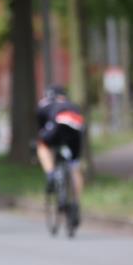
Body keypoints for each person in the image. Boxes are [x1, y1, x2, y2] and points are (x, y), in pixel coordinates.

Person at [35, 85, 85, 221]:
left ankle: (51, 174)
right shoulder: (72, 104)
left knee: (42, 145)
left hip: (57, 123)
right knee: (75, 166)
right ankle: (76, 202)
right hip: (76, 125)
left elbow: (41, 125)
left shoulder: (45, 103)